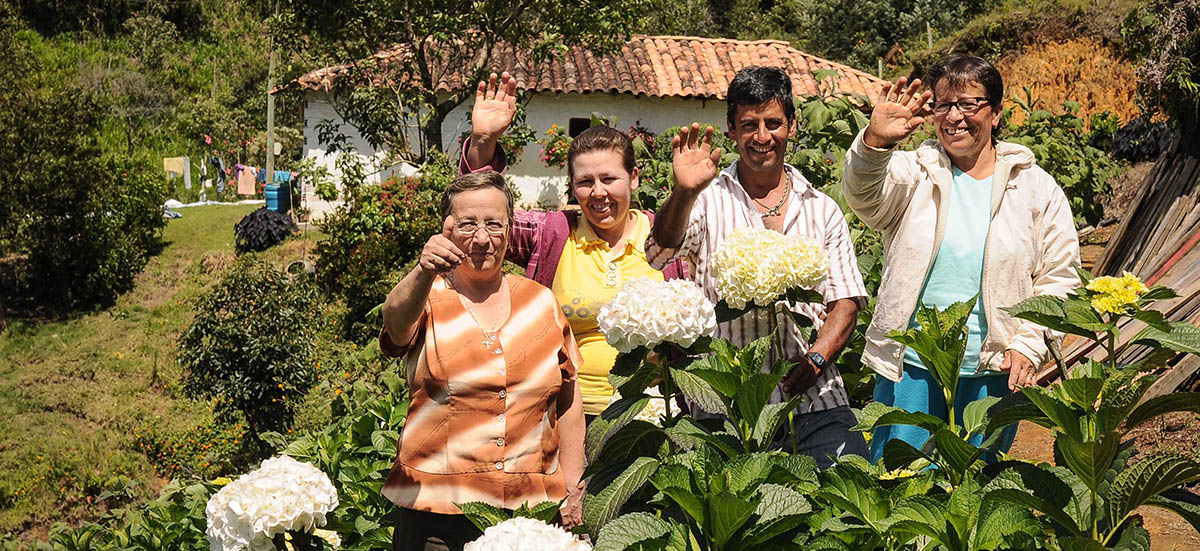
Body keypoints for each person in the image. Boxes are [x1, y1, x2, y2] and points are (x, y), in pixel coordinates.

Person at [841, 54, 1080, 462]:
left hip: (993, 365)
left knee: (976, 489)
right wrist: (874, 143)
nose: (954, 117)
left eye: (968, 104)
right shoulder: (914, 172)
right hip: (912, 362)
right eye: (943, 105)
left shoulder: (1035, 187)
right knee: (899, 483)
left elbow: (1060, 276)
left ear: (997, 112)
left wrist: (1029, 343)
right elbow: (862, 195)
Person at [646, 66, 870, 468]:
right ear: (731, 130)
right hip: (727, 407)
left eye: (773, 123)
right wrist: (683, 193)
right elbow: (661, 251)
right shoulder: (706, 202)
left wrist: (816, 359)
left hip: (814, 400)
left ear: (792, 126)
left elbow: (846, 303)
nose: (762, 137)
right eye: (749, 124)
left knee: (851, 492)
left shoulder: (822, 208)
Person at [378, 171, 586, 551]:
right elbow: (394, 324)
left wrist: (572, 481)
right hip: (435, 517)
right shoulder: (426, 296)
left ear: (510, 228)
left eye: (494, 223)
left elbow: (568, 395)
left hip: (531, 513)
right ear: (447, 229)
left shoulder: (540, 302)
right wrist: (424, 269)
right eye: (467, 224)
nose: (481, 238)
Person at [461, 72, 687, 421]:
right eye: (585, 182)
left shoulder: (666, 238)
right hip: (565, 417)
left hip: (654, 418)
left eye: (609, 179)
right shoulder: (553, 233)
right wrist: (482, 143)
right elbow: (485, 215)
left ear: (635, 177)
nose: (598, 193)